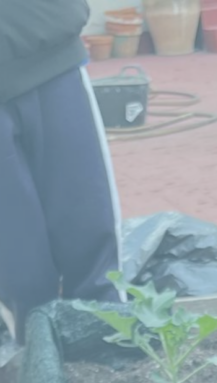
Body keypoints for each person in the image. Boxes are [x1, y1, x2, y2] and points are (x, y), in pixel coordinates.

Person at [0, 0, 121, 345]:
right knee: (17, 272)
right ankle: (38, 372)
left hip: (48, 50)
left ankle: (109, 364)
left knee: (91, 245)